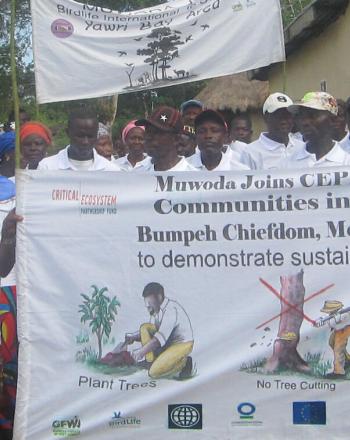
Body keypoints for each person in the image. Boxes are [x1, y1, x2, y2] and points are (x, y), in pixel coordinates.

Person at [124, 283, 194, 379]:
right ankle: (150, 361)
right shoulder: (156, 311)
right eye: (147, 305)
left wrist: (141, 352)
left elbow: (158, 339)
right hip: (167, 345)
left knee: (153, 373)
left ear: (159, 297)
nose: (148, 307)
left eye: (150, 304)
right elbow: (151, 331)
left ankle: (184, 362)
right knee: (144, 327)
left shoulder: (171, 309)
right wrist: (133, 336)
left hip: (181, 345)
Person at [38, 109, 121, 171]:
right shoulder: (47, 167)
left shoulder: (111, 170)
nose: (85, 142)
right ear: (68, 133)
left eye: (90, 136)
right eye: (80, 136)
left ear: (96, 135)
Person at [286, 92, 350, 168]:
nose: (305, 122)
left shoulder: (346, 163)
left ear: (332, 120)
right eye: (302, 116)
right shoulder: (287, 163)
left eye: (312, 115)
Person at [248, 92, 303, 169]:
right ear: (266, 118)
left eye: (288, 115)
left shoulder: (302, 148)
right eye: (278, 115)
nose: (284, 121)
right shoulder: (250, 152)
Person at [135, 106, 195, 171]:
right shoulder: (136, 174)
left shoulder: (195, 178)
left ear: (176, 139)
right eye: (147, 131)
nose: (149, 137)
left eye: (157, 132)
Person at [315, 300, 350, 378]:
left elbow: (337, 321)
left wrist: (336, 317)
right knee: (331, 342)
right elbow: (325, 319)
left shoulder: (343, 314)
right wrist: (320, 321)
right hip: (338, 330)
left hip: (345, 329)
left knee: (338, 348)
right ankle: (347, 360)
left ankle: (339, 371)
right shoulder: (331, 315)